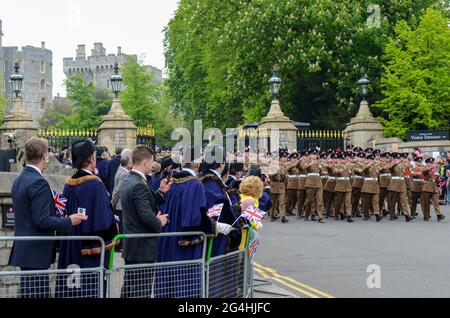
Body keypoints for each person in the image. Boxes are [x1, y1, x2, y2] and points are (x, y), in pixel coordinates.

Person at [9, 138, 86, 298]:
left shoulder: (19, 180)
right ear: (44, 156)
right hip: (36, 252)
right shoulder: (38, 182)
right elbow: (41, 220)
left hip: (26, 251)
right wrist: (68, 221)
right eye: (47, 153)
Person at [56, 139, 118, 298]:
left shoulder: (69, 184)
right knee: (89, 287)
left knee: (72, 287)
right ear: (91, 159)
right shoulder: (95, 185)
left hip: (71, 243)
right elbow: (103, 217)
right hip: (89, 249)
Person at [119, 145, 170, 298]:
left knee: (130, 289)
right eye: (152, 161)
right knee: (140, 291)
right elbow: (145, 215)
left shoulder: (130, 179)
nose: (152, 165)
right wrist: (159, 221)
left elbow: (143, 203)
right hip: (141, 247)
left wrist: (160, 192)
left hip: (133, 245)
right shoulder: (138, 184)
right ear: (146, 162)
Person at [111, 149, 133, 251]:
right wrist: (113, 202)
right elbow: (118, 190)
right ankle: (121, 246)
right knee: (121, 226)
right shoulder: (124, 174)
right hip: (120, 204)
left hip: (119, 204)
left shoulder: (120, 170)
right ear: (128, 163)